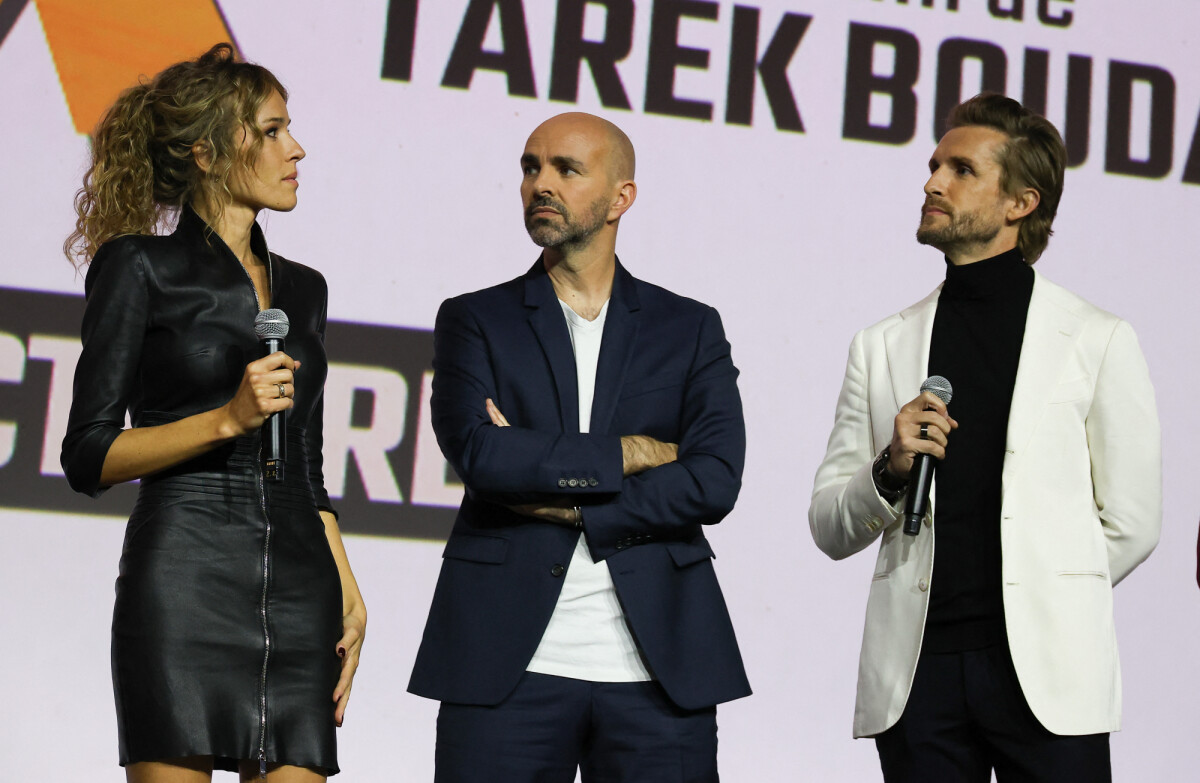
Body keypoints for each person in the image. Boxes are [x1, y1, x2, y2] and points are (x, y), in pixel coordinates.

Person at [808, 93, 1160, 782]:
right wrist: (889, 469)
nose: (933, 182)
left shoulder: (1097, 338)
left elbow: (1133, 521)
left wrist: (1040, 594)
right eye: (935, 165)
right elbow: (829, 522)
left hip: (1048, 677)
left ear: (1019, 203)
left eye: (961, 169)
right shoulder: (881, 344)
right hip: (919, 678)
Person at [408, 112, 750, 782]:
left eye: (566, 169)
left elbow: (713, 480)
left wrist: (574, 504)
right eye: (530, 167)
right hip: (504, 663)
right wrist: (633, 451)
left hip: (659, 671)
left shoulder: (689, 327)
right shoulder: (476, 318)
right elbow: (482, 456)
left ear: (620, 197)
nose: (541, 183)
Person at [61, 44, 365, 782]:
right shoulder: (139, 266)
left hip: (300, 589)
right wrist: (225, 420)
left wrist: (346, 583)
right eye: (270, 130)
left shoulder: (306, 288)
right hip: (185, 579)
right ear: (205, 151)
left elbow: (309, 465)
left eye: (289, 128)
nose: (296, 148)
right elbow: (88, 454)